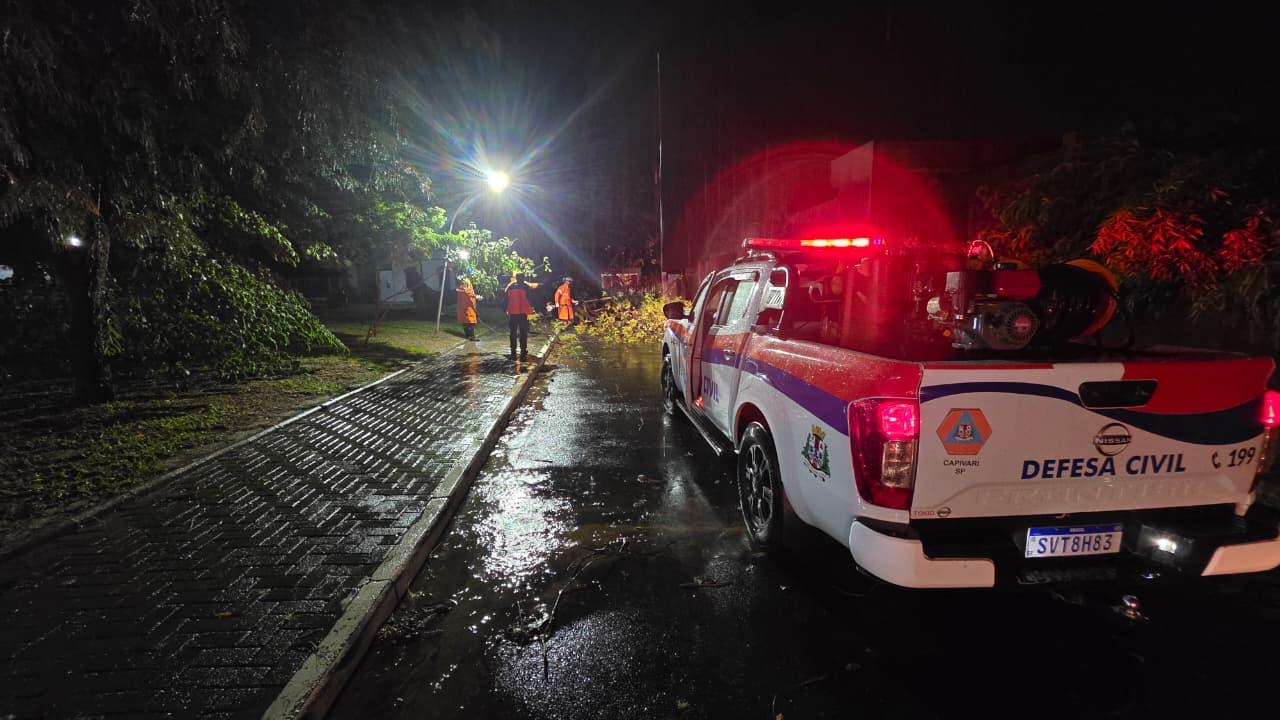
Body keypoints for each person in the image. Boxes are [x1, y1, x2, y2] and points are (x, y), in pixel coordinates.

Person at [505, 272, 536, 361]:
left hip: (513, 314)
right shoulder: (526, 287)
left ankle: (513, 352)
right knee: (523, 333)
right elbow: (531, 299)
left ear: (516, 278)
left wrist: (506, 310)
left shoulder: (510, 286)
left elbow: (505, 299)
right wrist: (533, 309)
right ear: (523, 278)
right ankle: (523, 351)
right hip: (523, 313)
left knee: (513, 333)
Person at [455, 273, 482, 341]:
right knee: (470, 322)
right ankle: (472, 337)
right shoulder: (466, 281)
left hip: (464, 305)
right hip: (467, 305)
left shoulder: (464, 281)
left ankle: (468, 336)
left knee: (466, 322)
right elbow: (467, 291)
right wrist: (476, 296)